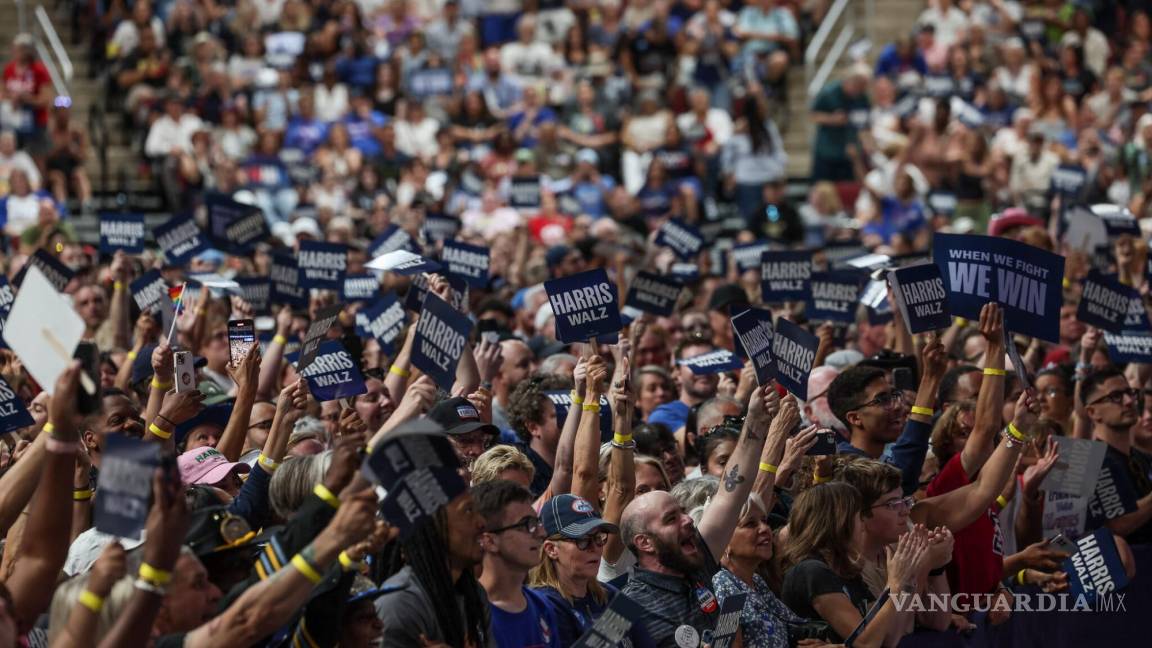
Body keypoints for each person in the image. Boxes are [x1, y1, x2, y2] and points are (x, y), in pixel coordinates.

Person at [474, 480, 558, 648]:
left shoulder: (542, 606)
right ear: (489, 541)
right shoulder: (468, 615)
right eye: (527, 525)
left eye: (538, 523)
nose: (541, 533)